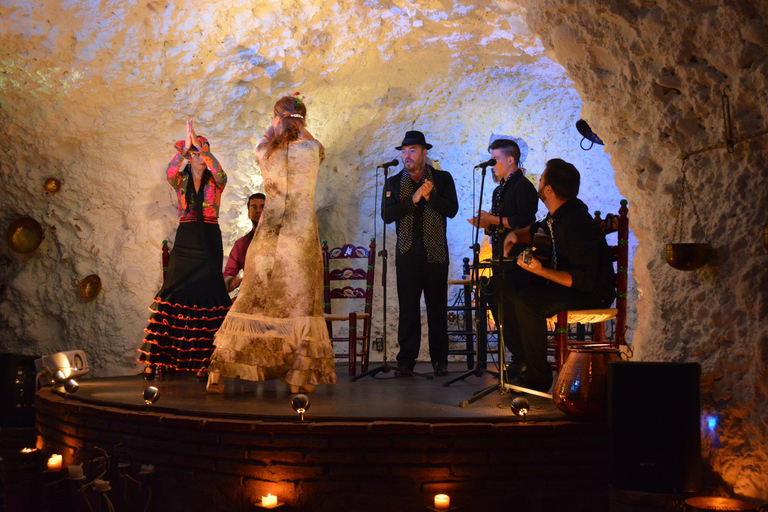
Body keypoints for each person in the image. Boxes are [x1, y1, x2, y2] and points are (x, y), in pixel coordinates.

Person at [206, 94, 337, 394]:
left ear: (278, 119)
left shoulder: (265, 152)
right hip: (299, 241)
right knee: (300, 307)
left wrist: (277, 121)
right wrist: (297, 117)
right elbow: (314, 141)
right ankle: (298, 379)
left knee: (251, 303)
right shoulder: (311, 150)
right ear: (302, 121)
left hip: (266, 239)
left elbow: (266, 136)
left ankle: (218, 373)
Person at [502, 158, 616, 392]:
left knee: (528, 302)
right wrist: (515, 235)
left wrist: (541, 271)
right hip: (568, 285)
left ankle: (538, 377)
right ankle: (523, 357)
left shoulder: (576, 223)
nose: (539, 182)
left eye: (541, 179)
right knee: (504, 284)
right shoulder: (558, 215)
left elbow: (583, 279)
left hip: (592, 292)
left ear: (549, 189)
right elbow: (538, 230)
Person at [138, 120, 232, 378]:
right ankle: (154, 360)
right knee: (173, 293)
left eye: (205, 151)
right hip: (187, 236)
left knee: (211, 295)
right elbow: (169, 172)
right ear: (190, 158)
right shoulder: (180, 179)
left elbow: (221, 172)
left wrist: (202, 148)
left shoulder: (217, 181)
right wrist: (184, 149)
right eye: (196, 153)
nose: (201, 156)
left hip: (210, 237)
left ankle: (208, 362)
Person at [382, 131, 459, 376]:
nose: (407, 155)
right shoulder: (393, 183)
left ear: (425, 153)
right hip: (407, 255)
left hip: (435, 254)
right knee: (408, 310)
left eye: (412, 150)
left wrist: (431, 196)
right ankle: (406, 360)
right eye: (404, 151)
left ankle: (440, 360)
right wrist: (413, 199)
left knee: (437, 309)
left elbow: (452, 210)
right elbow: (387, 215)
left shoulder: (442, 178)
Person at [467, 138, 540, 377]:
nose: (493, 164)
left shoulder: (523, 187)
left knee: (514, 310)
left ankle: (525, 360)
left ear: (511, 160)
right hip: (501, 259)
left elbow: (524, 222)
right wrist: (486, 225)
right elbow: (499, 225)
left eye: (496, 159)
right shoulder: (500, 190)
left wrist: (493, 220)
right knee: (499, 307)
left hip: (517, 262)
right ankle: (518, 358)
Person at [222, 193, 266, 292]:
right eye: (254, 207)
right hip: (251, 294)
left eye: (262, 207)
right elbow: (229, 273)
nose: (258, 210)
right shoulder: (241, 244)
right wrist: (231, 281)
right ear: (248, 214)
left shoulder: (280, 241)